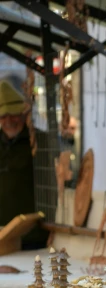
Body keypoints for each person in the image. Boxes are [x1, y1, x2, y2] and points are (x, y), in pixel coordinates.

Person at [0, 74, 48, 248]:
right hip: (2, 233)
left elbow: (53, 188)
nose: (8, 121)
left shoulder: (40, 142)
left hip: (34, 233)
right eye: (2, 117)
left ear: (23, 114)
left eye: (13, 115)